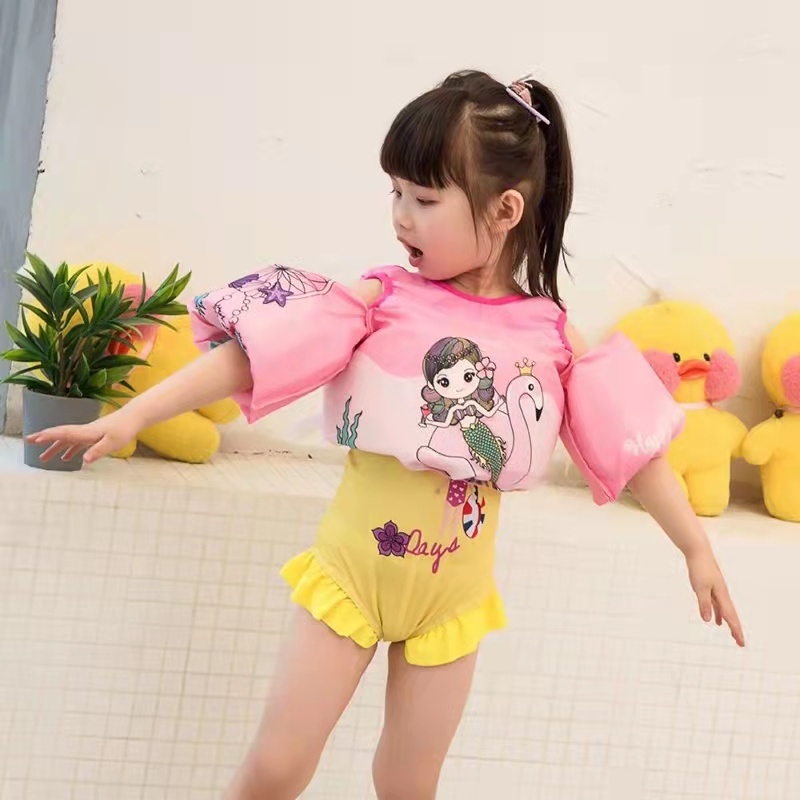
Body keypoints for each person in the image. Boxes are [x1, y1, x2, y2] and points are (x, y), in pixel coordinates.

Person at [27, 70, 745, 800]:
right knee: (277, 767)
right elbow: (251, 356)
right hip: (352, 579)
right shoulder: (382, 298)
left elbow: (633, 447)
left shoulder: (551, 334)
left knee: (407, 784)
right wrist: (130, 416)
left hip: (452, 602)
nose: (401, 216)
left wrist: (695, 547)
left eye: (424, 199)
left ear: (505, 209)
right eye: (395, 193)